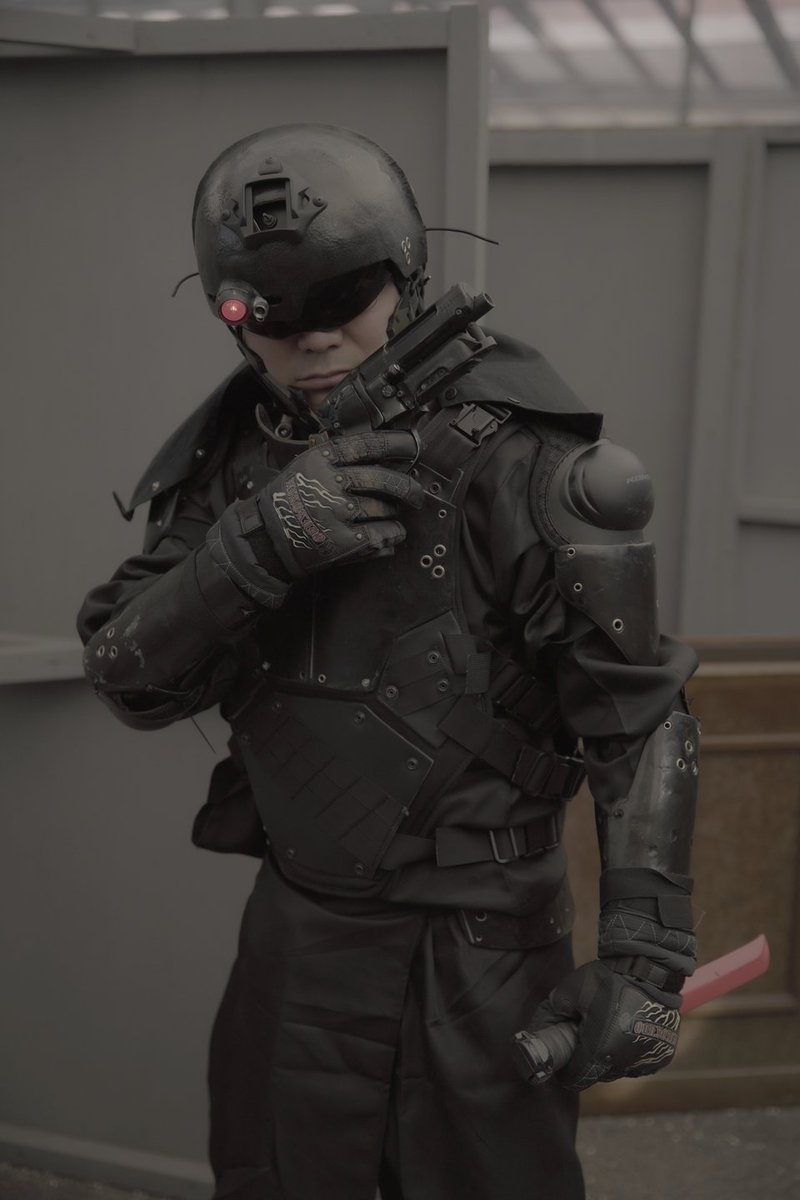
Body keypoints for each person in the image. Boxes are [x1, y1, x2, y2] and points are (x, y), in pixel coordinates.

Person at [77, 124, 699, 1200]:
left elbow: (637, 720)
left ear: (404, 274)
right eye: (270, 314)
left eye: (342, 296)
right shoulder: (237, 458)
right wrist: (257, 545)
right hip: (300, 938)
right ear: (232, 313)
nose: (314, 337)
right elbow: (127, 672)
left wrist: (647, 960)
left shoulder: (524, 460)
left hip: (481, 949)